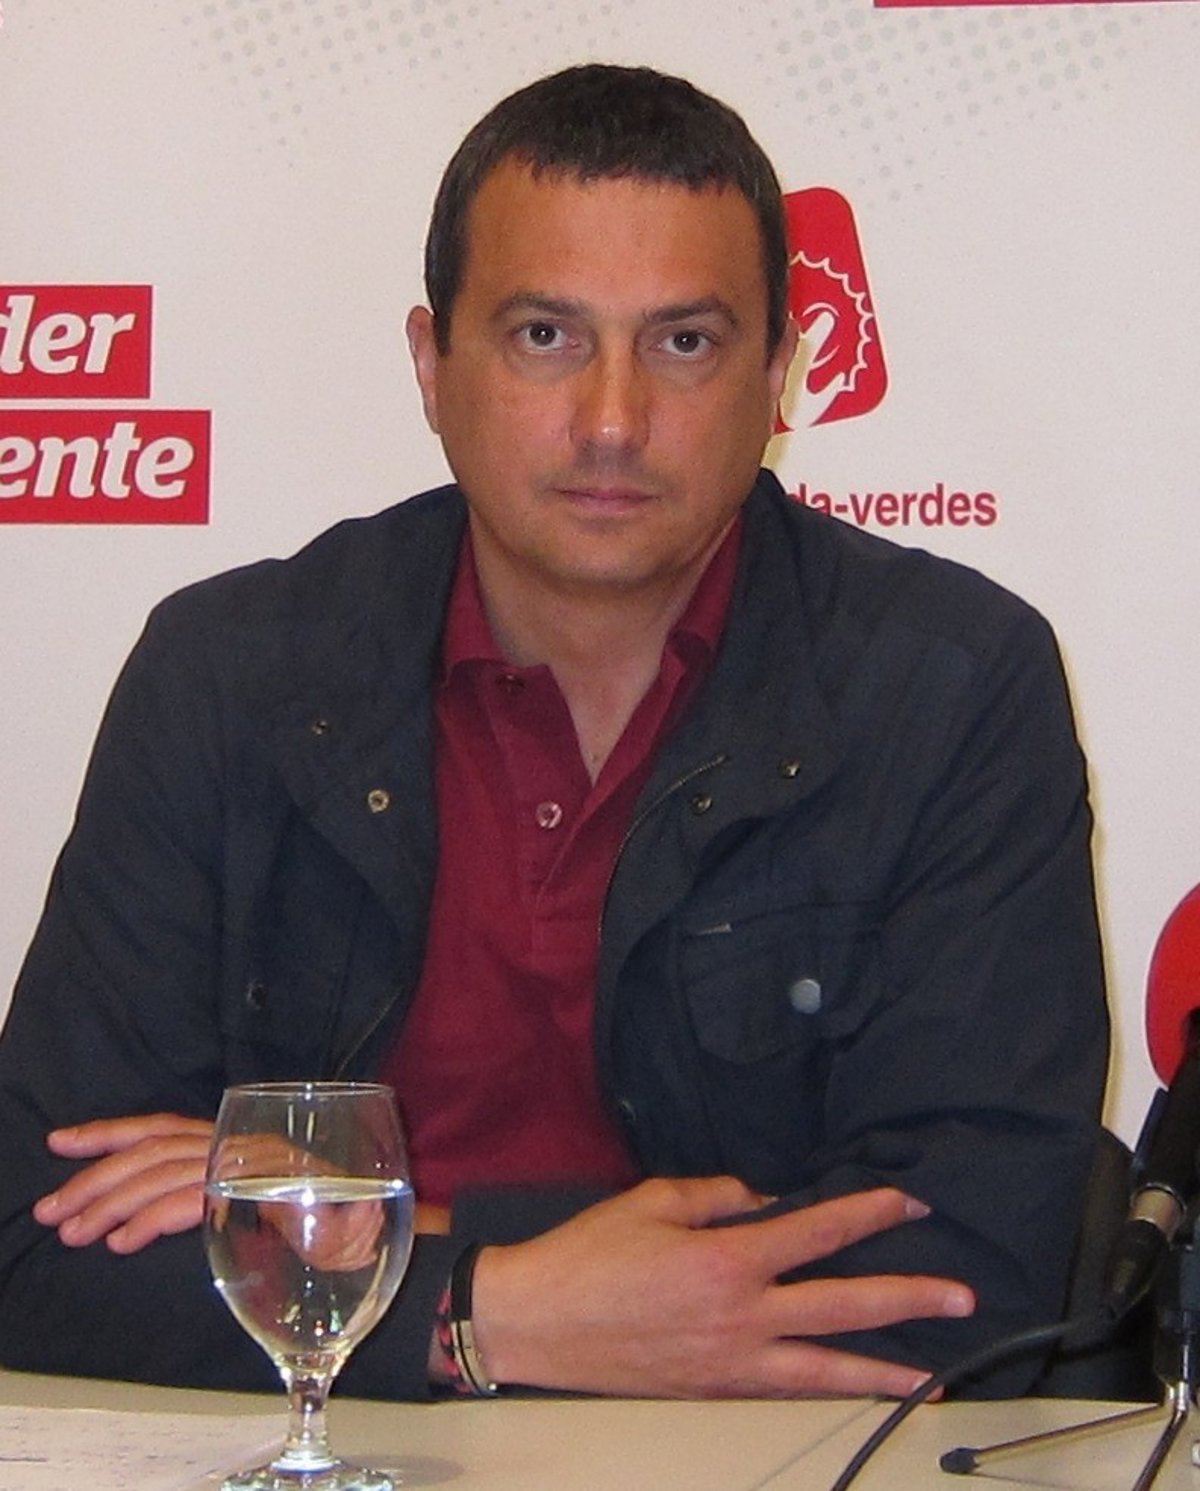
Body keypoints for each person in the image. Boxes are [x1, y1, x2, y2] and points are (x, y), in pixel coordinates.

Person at [0, 63, 1107, 1402]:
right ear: (432, 367)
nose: (613, 421)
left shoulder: (951, 688)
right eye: (545, 336)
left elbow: (970, 1278)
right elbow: (36, 1244)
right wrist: (487, 1310)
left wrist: (374, 1230)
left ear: (780, 373)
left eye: (684, 344)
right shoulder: (231, 675)